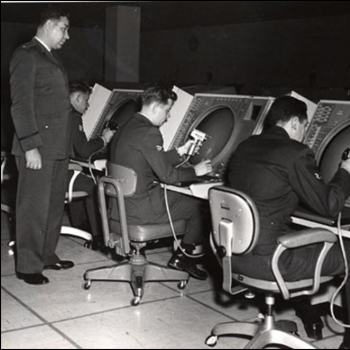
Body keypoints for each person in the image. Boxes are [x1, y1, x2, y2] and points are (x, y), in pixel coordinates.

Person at [227, 96, 350, 348]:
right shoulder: (295, 153)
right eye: (305, 127)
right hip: (272, 260)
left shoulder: (246, 145)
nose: (304, 134)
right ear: (295, 123)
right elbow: (330, 205)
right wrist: (346, 171)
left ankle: (308, 311)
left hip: (235, 255)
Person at [110, 85, 213, 280]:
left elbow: (149, 159)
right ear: (156, 108)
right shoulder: (150, 132)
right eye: (167, 110)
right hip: (140, 210)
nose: (168, 117)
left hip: (120, 207)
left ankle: (181, 255)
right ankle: (184, 257)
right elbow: (168, 176)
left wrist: (180, 152)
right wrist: (195, 171)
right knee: (200, 206)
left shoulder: (128, 126)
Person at [9, 6, 73, 285]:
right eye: (64, 28)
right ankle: (28, 266)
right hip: (37, 147)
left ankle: (46, 255)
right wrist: (30, 145)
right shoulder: (26, 55)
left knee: (53, 206)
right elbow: (21, 106)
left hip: (56, 147)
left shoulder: (49, 57)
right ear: (48, 25)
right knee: (33, 207)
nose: (67, 36)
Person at [68, 82, 115, 250]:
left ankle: (79, 225)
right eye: (86, 101)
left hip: (51, 170)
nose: (87, 106)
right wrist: (104, 139)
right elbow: (84, 150)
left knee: (81, 178)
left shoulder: (59, 112)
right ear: (78, 98)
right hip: (62, 173)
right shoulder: (73, 116)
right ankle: (98, 238)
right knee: (94, 186)